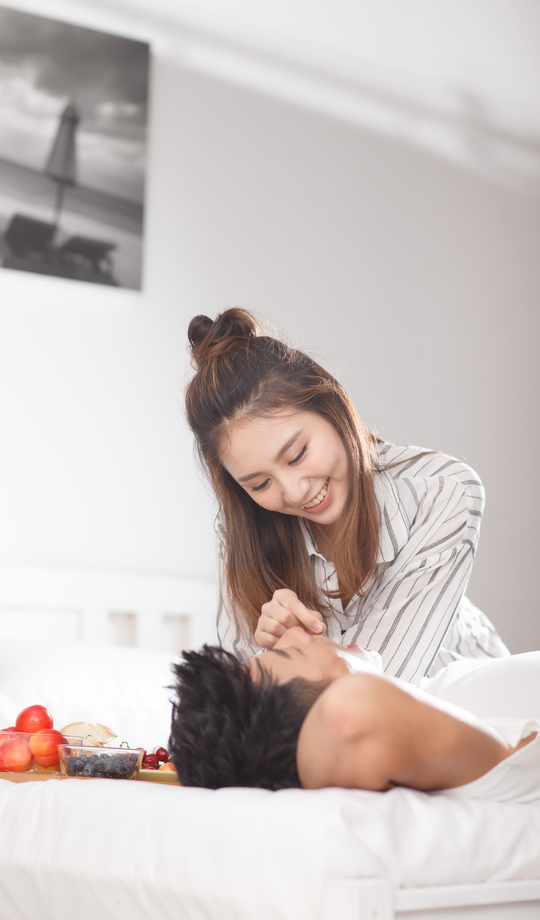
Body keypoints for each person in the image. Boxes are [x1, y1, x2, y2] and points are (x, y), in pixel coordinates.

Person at [185, 308, 509, 684]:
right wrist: (271, 650)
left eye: (297, 455)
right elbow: (237, 699)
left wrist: (294, 653)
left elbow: (377, 686)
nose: (295, 491)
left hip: (482, 715)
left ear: (331, 406)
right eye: (259, 485)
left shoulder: (440, 491)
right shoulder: (244, 527)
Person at [168, 629, 539, 801]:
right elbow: (350, 709)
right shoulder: (359, 720)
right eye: (289, 654)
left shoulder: (436, 699)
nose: (292, 634)